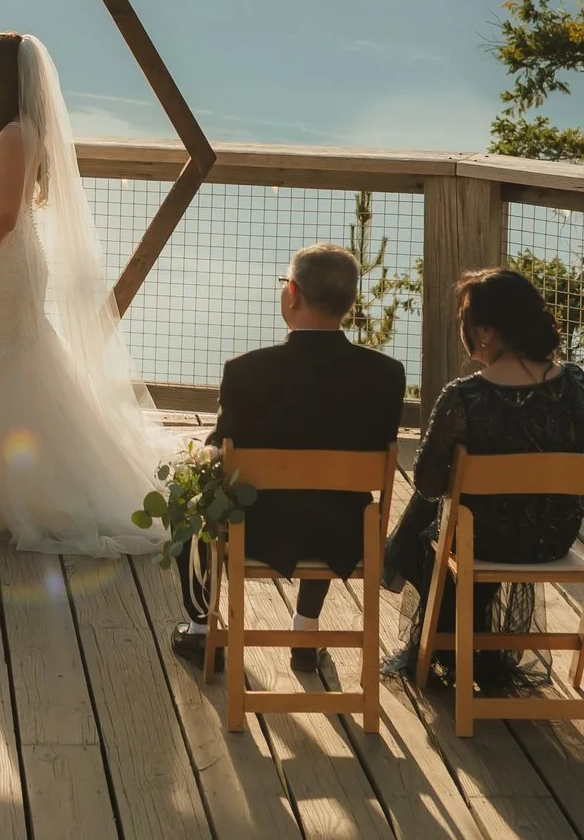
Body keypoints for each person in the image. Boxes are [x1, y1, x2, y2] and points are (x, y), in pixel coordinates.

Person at [0, 32, 164, 555]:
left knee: (12, 358)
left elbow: (4, 219)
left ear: (7, 76)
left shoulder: (15, 135)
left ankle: (29, 492)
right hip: (3, 261)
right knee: (0, 359)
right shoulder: (13, 129)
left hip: (11, 262)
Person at [168, 243, 407, 666]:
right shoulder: (386, 374)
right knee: (329, 493)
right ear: (350, 302)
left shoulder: (246, 371)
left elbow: (222, 451)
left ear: (292, 292)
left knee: (191, 489)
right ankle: (306, 629)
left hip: (258, 529)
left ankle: (204, 628)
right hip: (346, 532)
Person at [381, 268, 584, 689]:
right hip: (552, 536)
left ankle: (411, 589)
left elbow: (427, 482)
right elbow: (581, 451)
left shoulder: (465, 396)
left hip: (484, 539)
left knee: (432, 513)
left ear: (484, 332)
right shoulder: (574, 382)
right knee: (449, 513)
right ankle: (463, 634)